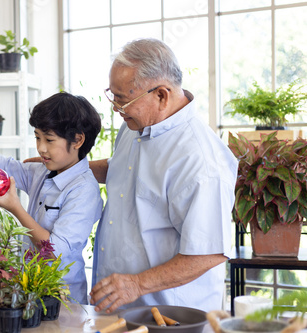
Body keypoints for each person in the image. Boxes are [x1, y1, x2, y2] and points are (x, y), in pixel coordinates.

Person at [88, 38, 238, 313]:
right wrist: (68, 167)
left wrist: (136, 285)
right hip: (121, 311)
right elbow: (120, 170)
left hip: (174, 317)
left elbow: (207, 253)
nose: (115, 107)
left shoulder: (201, 161)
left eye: (122, 99)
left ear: (161, 95)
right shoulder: (136, 124)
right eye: (113, 95)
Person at [0, 91, 103, 304]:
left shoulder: (84, 190)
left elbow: (54, 252)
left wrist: (16, 208)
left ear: (78, 140)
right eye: (37, 137)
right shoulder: (43, 170)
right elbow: (2, 162)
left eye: (49, 140)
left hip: (61, 298)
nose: (41, 148)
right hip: (29, 289)